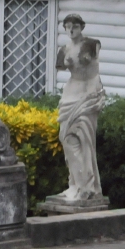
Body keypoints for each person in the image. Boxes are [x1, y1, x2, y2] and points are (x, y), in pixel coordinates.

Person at [51, 14, 108, 203]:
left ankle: (86, 187)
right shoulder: (64, 49)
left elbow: (88, 60)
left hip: (88, 94)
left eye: (75, 26)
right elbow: (60, 66)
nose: (71, 30)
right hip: (71, 94)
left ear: (81, 27)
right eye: (67, 26)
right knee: (65, 137)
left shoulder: (92, 44)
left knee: (81, 139)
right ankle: (75, 184)